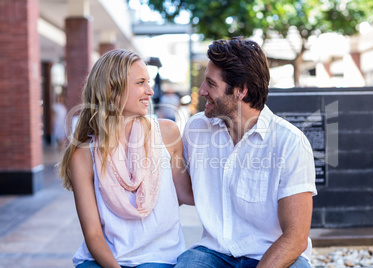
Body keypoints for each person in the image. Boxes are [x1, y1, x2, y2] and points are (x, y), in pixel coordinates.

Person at [176, 37, 317, 268]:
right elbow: (185, 192)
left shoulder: (289, 143)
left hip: (271, 253)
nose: (202, 91)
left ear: (240, 90)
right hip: (213, 253)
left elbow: (296, 237)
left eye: (211, 84)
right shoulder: (196, 129)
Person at [56, 49, 193, 268]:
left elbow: (187, 194)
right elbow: (93, 234)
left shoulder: (167, 133)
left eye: (148, 82)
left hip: (157, 257)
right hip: (103, 260)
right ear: (112, 89)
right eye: (140, 82)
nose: (150, 91)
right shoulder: (83, 153)